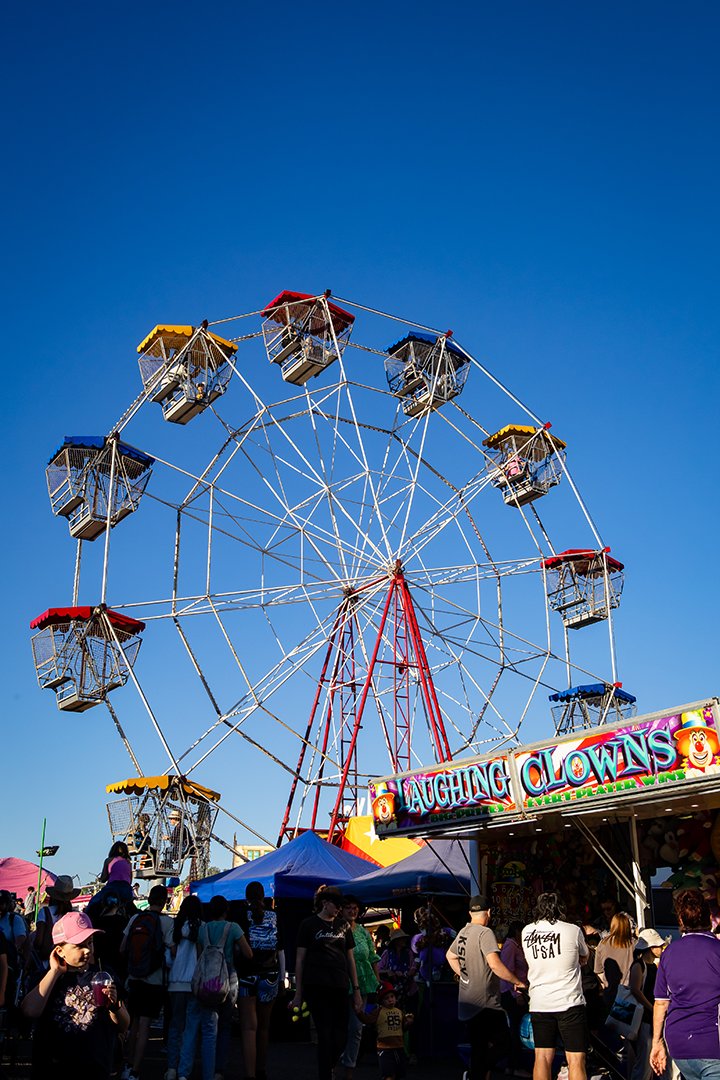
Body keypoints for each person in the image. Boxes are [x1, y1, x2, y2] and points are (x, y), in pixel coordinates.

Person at [21, 910, 130, 1079]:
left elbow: (124, 1024)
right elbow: (29, 1011)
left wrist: (114, 1006)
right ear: (60, 951)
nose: (87, 950)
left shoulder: (104, 975)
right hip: (52, 1069)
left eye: (90, 943)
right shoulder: (45, 979)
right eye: (79, 945)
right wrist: (55, 972)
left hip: (94, 1069)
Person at [446, 894, 525, 1080]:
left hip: (467, 1001)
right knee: (504, 1044)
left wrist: (464, 974)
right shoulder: (485, 932)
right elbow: (495, 964)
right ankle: (476, 1072)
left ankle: (475, 1073)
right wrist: (517, 982)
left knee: (478, 1046)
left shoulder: (463, 932)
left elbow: (450, 956)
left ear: (469, 913)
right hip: (485, 1002)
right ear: (488, 912)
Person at [291, 885, 363, 1080]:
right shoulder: (308, 924)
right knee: (325, 1033)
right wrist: (298, 993)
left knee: (341, 1034)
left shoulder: (343, 926)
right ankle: (326, 1074)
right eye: (337, 905)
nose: (339, 909)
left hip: (340, 985)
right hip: (317, 985)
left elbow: (350, 959)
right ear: (325, 903)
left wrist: (356, 989)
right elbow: (300, 959)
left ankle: (330, 1065)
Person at [178, 893, 251, 1080]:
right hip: (228, 981)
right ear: (227, 910)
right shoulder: (233, 928)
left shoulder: (204, 929)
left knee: (206, 1027)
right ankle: (218, 1070)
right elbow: (248, 954)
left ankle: (195, 1072)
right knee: (224, 1027)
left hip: (206, 982)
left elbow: (200, 955)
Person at [650, 888, 720, 1080]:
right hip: (712, 1042)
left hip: (679, 1044)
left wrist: (657, 1042)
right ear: (708, 916)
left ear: (680, 920)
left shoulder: (669, 953)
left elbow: (661, 1003)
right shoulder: (717, 949)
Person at [521, 891, 589, 1080]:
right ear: (561, 908)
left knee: (541, 1057)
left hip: (540, 1002)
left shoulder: (526, 931)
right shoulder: (572, 930)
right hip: (569, 1002)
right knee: (575, 1059)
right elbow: (585, 955)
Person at [121, 883, 174, 1080]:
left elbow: (123, 948)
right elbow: (172, 951)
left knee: (132, 1024)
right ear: (165, 901)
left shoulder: (136, 918)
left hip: (134, 977)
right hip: (154, 980)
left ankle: (127, 1064)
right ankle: (135, 1070)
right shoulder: (168, 923)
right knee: (145, 1026)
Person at [237, 881, 284, 1080]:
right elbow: (280, 950)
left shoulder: (240, 917)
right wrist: (282, 978)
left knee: (249, 1027)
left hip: (247, 974)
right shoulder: (274, 917)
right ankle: (261, 1070)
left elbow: (237, 948)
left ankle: (249, 1074)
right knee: (264, 1027)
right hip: (271, 974)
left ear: (246, 897)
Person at [338, 893, 380, 1080]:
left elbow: (372, 957)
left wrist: (377, 982)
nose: (353, 911)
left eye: (355, 908)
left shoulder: (363, 932)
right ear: (341, 910)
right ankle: (333, 1064)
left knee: (356, 1029)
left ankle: (349, 1069)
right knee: (339, 1028)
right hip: (339, 983)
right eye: (349, 908)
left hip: (362, 984)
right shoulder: (336, 930)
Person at [166, 894, 203, 1080]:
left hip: (175, 983)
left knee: (175, 1026)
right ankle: (184, 1072)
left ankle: (172, 1067)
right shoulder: (201, 928)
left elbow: (168, 958)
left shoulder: (175, 927)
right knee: (191, 1029)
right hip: (194, 983)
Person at [628, 929, 667, 1080]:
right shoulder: (639, 965)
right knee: (643, 1063)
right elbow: (635, 990)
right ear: (650, 948)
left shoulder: (652, 965)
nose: (661, 948)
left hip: (650, 1017)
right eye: (659, 946)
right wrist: (652, 1008)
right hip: (643, 1018)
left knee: (648, 1062)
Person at [358, 980, 414, 1080]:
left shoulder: (399, 1012)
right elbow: (368, 1019)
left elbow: (403, 1028)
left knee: (400, 1072)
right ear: (381, 1000)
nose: (390, 1000)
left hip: (398, 1046)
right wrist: (359, 1013)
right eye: (386, 998)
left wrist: (408, 1022)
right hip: (384, 1048)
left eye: (392, 997)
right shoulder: (378, 1011)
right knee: (387, 1072)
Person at [499, 920, 530, 1073]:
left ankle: (514, 1064)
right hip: (512, 994)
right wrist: (516, 993)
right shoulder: (510, 946)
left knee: (519, 1029)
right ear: (518, 932)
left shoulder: (518, 946)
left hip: (520, 992)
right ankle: (514, 1065)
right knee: (516, 1030)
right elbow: (508, 971)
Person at [32, 875, 80, 971]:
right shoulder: (74, 914)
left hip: (48, 961)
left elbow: (39, 940)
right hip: (69, 959)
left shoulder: (45, 912)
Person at [594, 912, 635, 1005]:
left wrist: (605, 985)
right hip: (629, 994)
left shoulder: (602, 943)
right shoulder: (634, 944)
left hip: (610, 994)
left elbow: (598, 970)